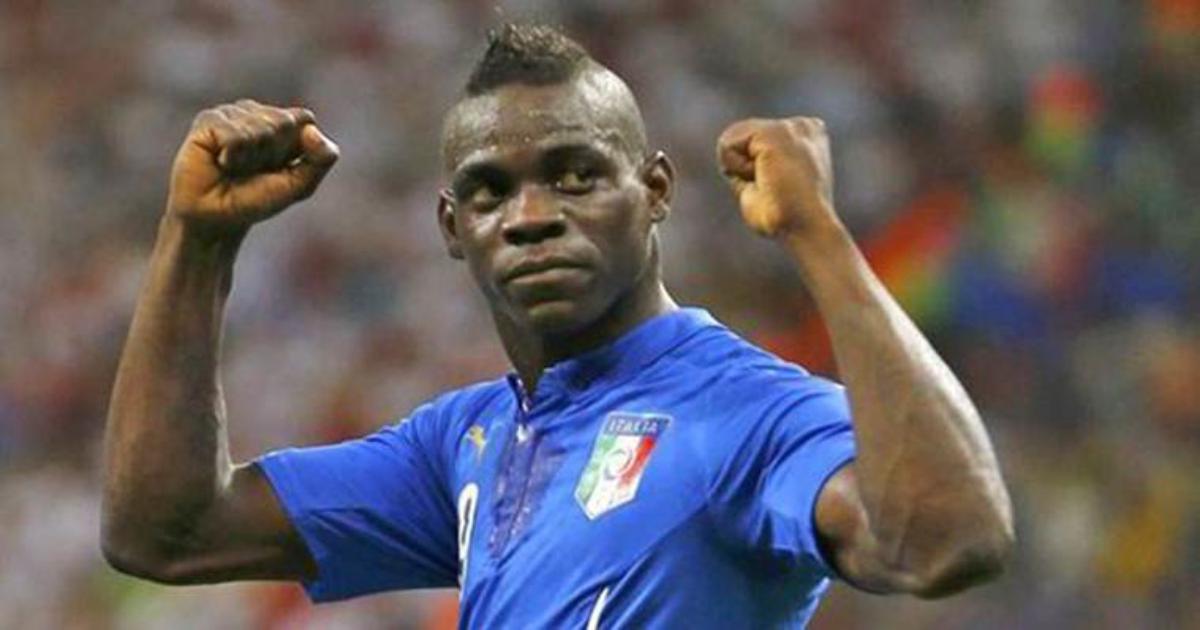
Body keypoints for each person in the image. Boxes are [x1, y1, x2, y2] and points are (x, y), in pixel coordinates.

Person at [102, 23, 1014, 628]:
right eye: (490, 191)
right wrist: (198, 240)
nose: (532, 216)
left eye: (576, 175)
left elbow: (948, 540)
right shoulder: (463, 443)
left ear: (654, 191)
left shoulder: (746, 412)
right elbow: (166, 533)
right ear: (452, 228)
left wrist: (818, 235)